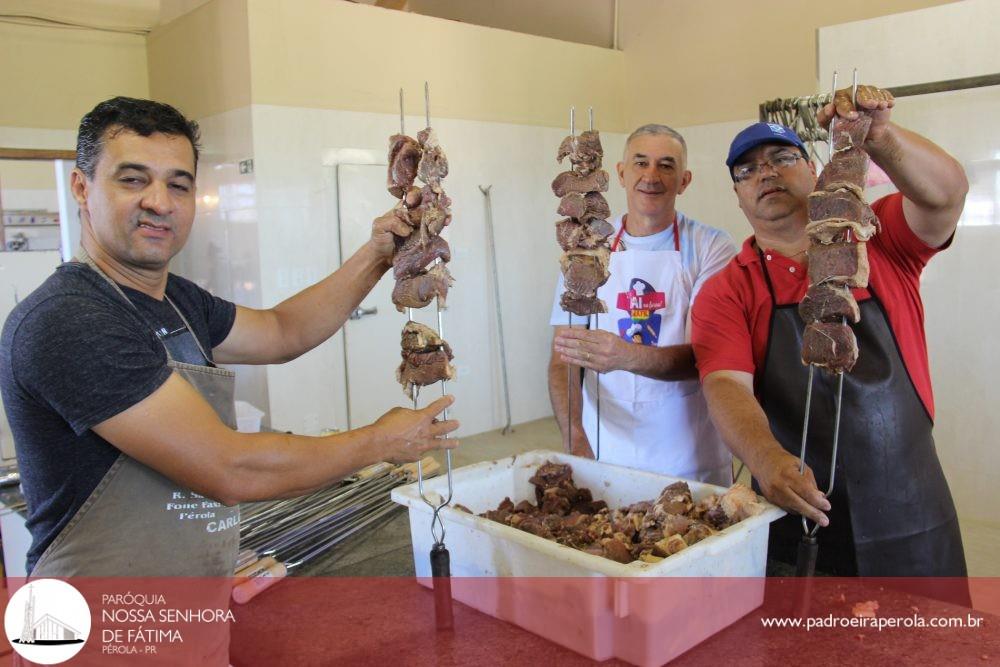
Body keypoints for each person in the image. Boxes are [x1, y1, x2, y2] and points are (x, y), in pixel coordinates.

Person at [0, 97, 458, 580]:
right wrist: (380, 441)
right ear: (81, 186)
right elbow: (229, 468)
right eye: (133, 179)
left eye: (178, 185)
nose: (159, 202)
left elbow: (282, 331)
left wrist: (378, 255)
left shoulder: (176, 299)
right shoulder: (69, 318)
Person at [691, 86, 969, 588]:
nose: (766, 173)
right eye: (747, 170)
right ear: (737, 194)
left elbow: (946, 193)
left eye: (782, 157)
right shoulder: (728, 289)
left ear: (814, 169)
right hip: (794, 510)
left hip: (911, 512)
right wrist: (764, 457)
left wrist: (879, 136)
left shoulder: (874, 234)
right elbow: (726, 385)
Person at [548, 124, 736, 484]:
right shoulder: (586, 246)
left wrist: (626, 356)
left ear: (685, 180)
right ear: (620, 173)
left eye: (667, 165)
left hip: (688, 451)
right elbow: (562, 360)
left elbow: (709, 355)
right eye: (640, 163)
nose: (651, 176)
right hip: (606, 449)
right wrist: (575, 439)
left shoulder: (712, 246)